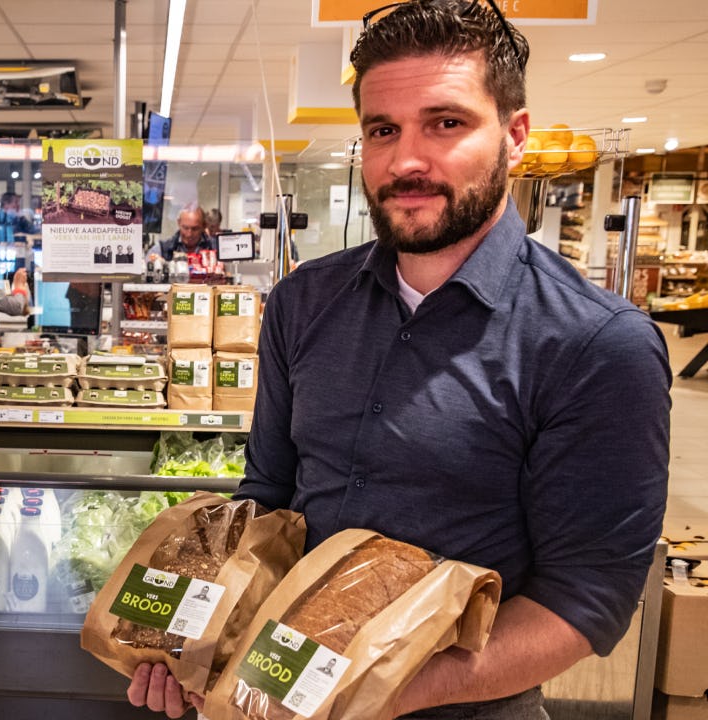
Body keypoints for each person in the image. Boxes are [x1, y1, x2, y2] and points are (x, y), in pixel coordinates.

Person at [129, 1, 671, 718]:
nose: (407, 160)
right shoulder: (303, 302)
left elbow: (586, 600)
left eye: (446, 123)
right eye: (383, 130)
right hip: (277, 693)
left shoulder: (600, 344)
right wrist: (201, 641)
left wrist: (383, 693)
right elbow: (269, 497)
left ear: (514, 137)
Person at [150, 205, 218, 262]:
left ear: (204, 226)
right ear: (178, 223)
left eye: (195, 229)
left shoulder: (216, 247)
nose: (189, 234)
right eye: (185, 228)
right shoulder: (161, 249)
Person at [0, 192, 39, 259]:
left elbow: (33, 231)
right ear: (6, 204)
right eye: (15, 202)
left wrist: (21, 217)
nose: (18, 205)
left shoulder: (19, 219)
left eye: (18, 202)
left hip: (17, 254)